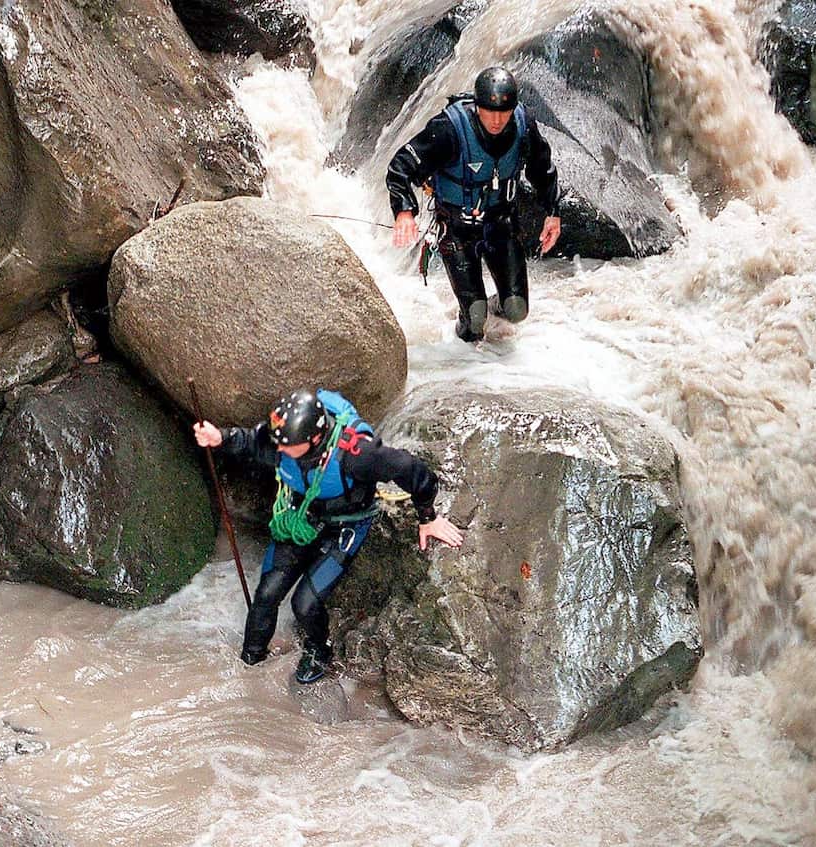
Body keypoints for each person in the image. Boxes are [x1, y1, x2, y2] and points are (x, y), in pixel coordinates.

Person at [193, 388, 464, 684]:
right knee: (266, 595)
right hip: (301, 514)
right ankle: (250, 663)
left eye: (287, 446)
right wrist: (220, 438)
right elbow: (251, 442)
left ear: (313, 439)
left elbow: (410, 469)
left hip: (346, 525)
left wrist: (428, 517)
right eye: (278, 443)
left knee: (304, 603)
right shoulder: (282, 441)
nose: (278, 451)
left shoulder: (357, 456)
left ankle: (319, 650)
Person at [387, 66, 562, 342]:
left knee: (516, 310)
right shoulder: (448, 129)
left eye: (503, 112)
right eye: (489, 111)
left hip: (501, 224)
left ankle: (491, 310)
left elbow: (542, 168)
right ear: (477, 106)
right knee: (475, 320)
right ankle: (464, 348)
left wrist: (553, 212)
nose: (496, 120)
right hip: (456, 229)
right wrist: (405, 212)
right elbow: (400, 167)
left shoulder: (523, 124)